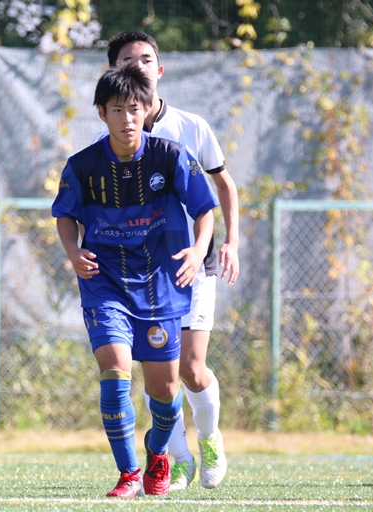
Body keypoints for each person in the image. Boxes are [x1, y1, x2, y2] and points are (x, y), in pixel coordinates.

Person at [52, 63, 218, 497]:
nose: (127, 118)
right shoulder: (82, 166)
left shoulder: (171, 156)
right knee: (115, 372)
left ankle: (157, 453)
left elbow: (204, 209)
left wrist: (199, 249)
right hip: (105, 283)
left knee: (165, 390)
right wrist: (73, 252)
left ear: (146, 110)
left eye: (134, 109)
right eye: (116, 110)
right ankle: (127, 473)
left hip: (162, 284)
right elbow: (65, 216)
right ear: (101, 113)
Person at [102, 31, 241, 491]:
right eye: (128, 60)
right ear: (113, 71)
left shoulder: (191, 126)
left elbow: (223, 186)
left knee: (191, 368)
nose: (138, 66)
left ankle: (210, 438)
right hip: (141, 271)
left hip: (191, 262)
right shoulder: (111, 135)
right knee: (157, 370)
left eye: (146, 59)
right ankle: (178, 459)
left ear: (159, 70)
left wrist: (229, 241)